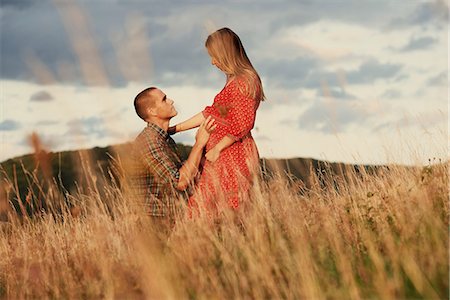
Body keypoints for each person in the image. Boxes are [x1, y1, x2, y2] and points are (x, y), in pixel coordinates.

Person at [170, 28, 265, 211]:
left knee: (223, 208)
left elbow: (243, 123)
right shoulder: (234, 80)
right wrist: (175, 129)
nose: (213, 62)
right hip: (221, 153)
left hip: (232, 153)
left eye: (214, 56)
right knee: (208, 207)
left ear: (226, 53)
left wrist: (218, 148)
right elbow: (211, 113)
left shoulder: (245, 80)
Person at [131, 87, 216, 220]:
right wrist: (199, 143)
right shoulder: (149, 142)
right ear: (152, 111)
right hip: (153, 223)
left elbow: (185, 171)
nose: (171, 101)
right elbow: (179, 182)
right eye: (164, 100)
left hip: (168, 219)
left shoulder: (164, 139)